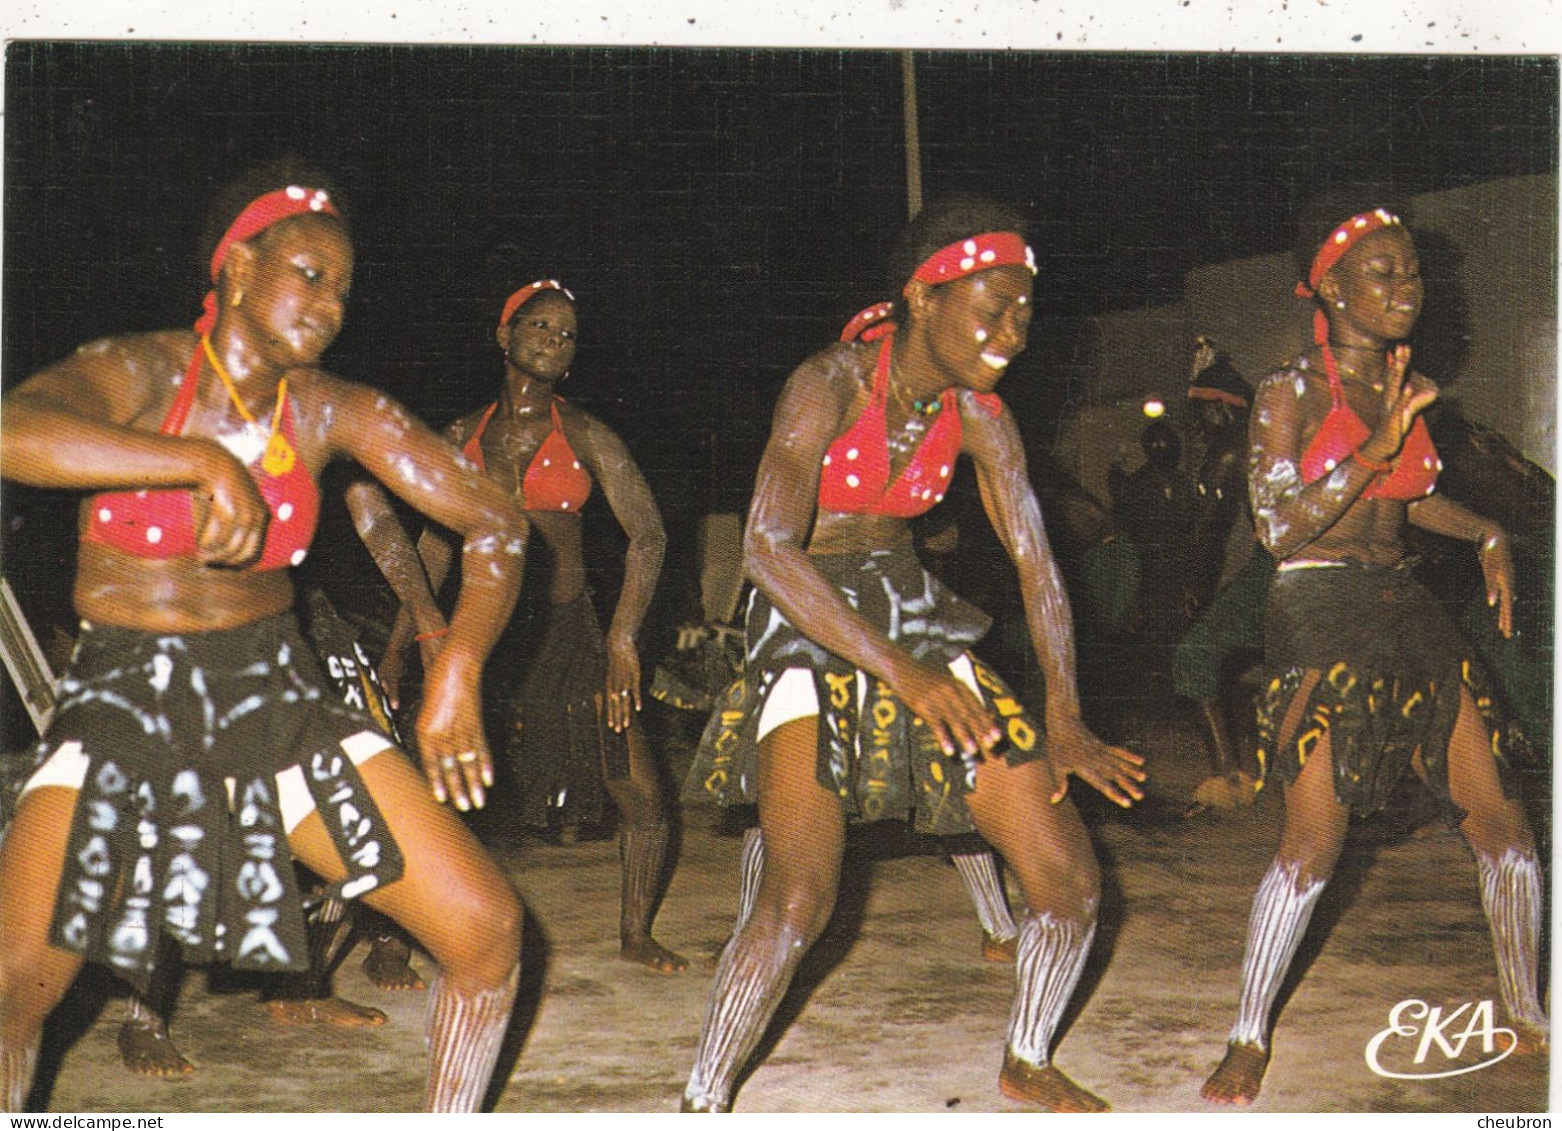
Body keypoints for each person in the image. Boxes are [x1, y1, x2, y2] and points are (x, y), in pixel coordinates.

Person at [0, 164, 529, 1112]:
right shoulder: (142, 371)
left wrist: (460, 666)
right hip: (126, 701)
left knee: (487, 931)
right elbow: (10, 428)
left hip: (274, 699)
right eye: (308, 274)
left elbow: (496, 524)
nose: (330, 306)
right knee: (12, 989)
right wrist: (199, 462)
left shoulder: (328, 408)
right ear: (237, 267)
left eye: (344, 290)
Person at [680, 196, 1146, 1112]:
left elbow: (1038, 564)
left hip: (917, 616)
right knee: (799, 900)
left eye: (1025, 310)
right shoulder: (827, 383)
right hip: (806, 623)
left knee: (1070, 878)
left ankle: (1027, 1054)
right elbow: (768, 549)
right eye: (993, 306)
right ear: (922, 298)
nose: (1014, 330)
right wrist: (902, 671)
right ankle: (702, 1096)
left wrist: (1063, 712)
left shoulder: (982, 414)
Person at [1199, 203, 1546, 1105]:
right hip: (1318, 604)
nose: (1406, 289)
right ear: (1327, 286)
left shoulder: (1402, 383)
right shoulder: (1290, 390)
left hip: (1407, 604)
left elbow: (1410, 498)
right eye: (1383, 272)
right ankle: (1246, 1033)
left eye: (1413, 272)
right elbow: (1277, 526)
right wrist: (1377, 446)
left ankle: (1524, 1007)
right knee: (1314, 842)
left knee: (1503, 824)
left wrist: (1487, 533)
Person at [380, 277, 686, 974]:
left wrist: (622, 641)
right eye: (540, 325)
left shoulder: (584, 433)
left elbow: (649, 536)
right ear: (505, 336)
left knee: (639, 788)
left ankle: (635, 931)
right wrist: (401, 646)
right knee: (427, 791)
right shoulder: (460, 437)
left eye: (567, 333)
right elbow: (429, 550)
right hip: (479, 637)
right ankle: (398, 936)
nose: (553, 339)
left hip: (568, 629)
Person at [1171, 338, 1269, 811]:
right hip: (1308, 560)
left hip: (1280, 566)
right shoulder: (1272, 438)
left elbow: (1207, 537)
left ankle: (1227, 775)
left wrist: (1194, 591)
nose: (1197, 428)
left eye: (1200, 416)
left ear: (1222, 412)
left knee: (1195, 655)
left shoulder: (1230, 454)